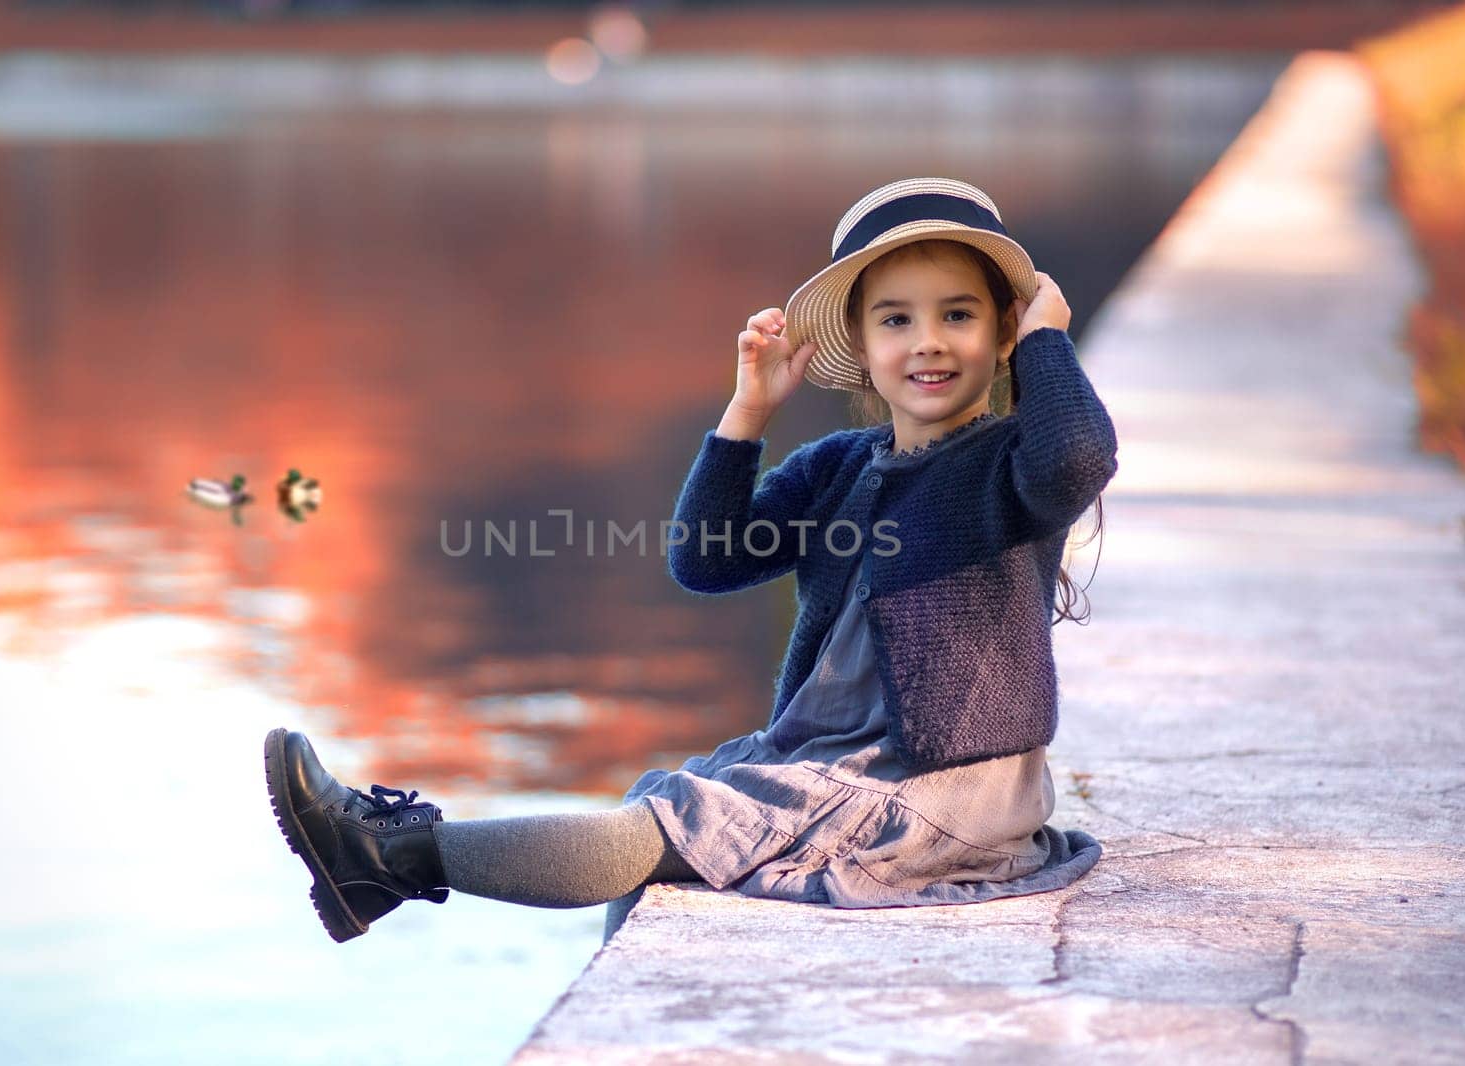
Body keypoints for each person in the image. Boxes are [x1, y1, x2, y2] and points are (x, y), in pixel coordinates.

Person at [263, 176, 1118, 947]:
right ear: (861, 342)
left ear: (1001, 331)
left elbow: (1078, 460)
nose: (928, 341)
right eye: (897, 318)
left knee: (667, 826)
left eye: (958, 315)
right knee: (661, 807)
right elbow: (705, 560)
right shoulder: (842, 466)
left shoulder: (1009, 466)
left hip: (940, 790)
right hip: (830, 758)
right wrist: (747, 413)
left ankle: (396, 853)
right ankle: (386, 881)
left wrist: (1046, 342)